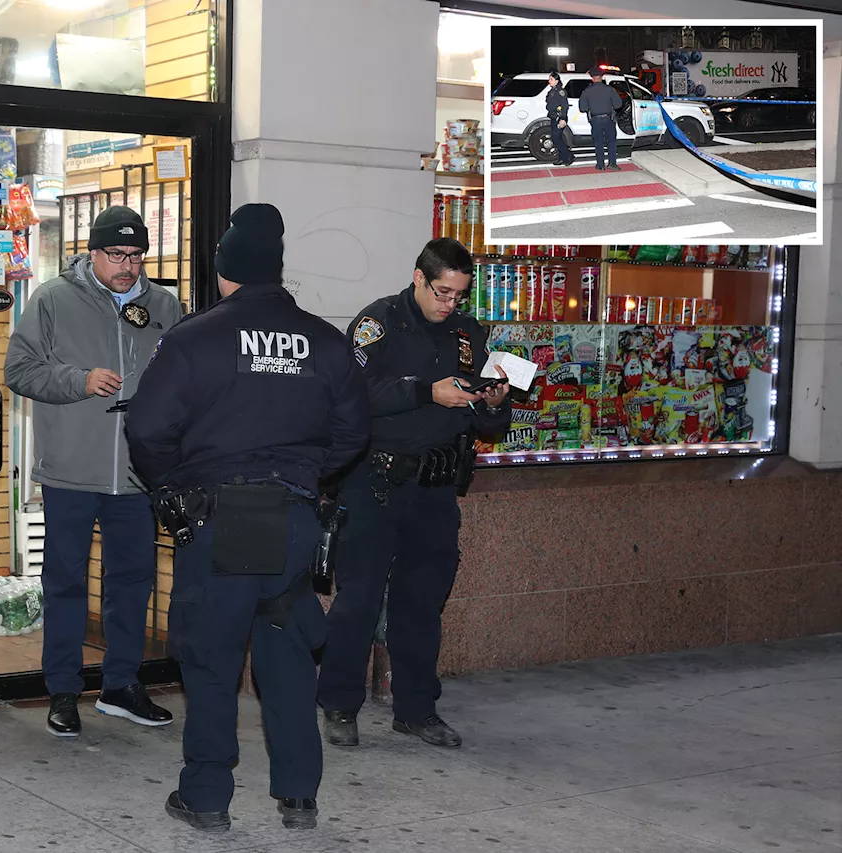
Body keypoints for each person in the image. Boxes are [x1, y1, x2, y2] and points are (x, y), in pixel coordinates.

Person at [125, 204, 370, 833]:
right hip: (294, 520)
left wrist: (174, 488)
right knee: (286, 656)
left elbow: (148, 429)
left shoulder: (193, 338)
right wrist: (306, 474)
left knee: (210, 659)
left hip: (219, 520)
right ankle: (299, 796)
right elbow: (353, 434)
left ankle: (207, 797)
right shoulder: (324, 339)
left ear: (223, 272)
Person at [315, 237, 511, 751]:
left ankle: (417, 709)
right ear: (420, 278)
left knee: (422, 602)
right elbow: (354, 393)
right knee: (357, 599)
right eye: (443, 292)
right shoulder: (378, 323)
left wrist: (492, 402)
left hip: (435, 487)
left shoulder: (468, 333)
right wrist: (426, 391)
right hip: (375, 483)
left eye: (459, 296)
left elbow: (491, 422)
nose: (450, 304)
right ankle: (338, 704)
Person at [5, 206, 182, 738]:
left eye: (136, 256)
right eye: (116, 255)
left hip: (136, 475)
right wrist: (79, 381)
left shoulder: (165, 306)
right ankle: (62, 689)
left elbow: (182, 379)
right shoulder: (53, 299)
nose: (127, 266)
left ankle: (122, 685)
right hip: (70, 472)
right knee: (65, 583)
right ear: (93, 252)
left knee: (132, 582)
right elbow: (19, 369)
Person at [579, 67, 622, 171]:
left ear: (592, 78)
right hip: (608, 119)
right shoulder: (610, 89)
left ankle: (600, 165)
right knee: (611, 142)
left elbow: (582, 108)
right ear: (602, 77)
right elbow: (618, 104)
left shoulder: (586, 91)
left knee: (598, 143)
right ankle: (612, 163)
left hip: (595, 120)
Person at [546, 70, 575, 166]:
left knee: (556, 138)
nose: (549, 81)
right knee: (557, 138)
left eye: (551, 79)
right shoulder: (552, 91)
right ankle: (562, 158)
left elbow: (564, 105)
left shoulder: (560, 91)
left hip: (559, 117)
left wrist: (563, 118)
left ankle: (569, 156)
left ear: (557, 81)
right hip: (553, 117)